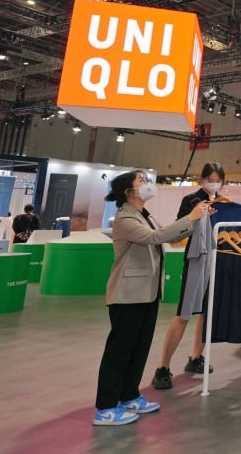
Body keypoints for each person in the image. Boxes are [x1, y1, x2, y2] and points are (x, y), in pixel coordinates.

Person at [93, 170, 213, 426]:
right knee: (120, 351)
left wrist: (195, 221)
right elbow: (154, 237)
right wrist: (190, 217)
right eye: (142, 181)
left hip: (147, 294)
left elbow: (172, 236)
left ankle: (129, 396)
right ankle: (105, 407)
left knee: (139, 348)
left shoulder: (145, 215)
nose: (148, 184)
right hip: (127, 296)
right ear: (128, 191)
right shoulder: (125, 218)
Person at [151, 162, 225, 390]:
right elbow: (177, 233)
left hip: (215, 261)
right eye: (210, 178)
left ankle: (196, 357)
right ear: (202, 179)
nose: (214, 182)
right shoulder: (192, 200)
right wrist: (196, 218)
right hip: (196, 262)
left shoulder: (223, 203)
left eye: (218, 179)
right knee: (184, 314)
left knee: (206, 312)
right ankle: (163, 367)